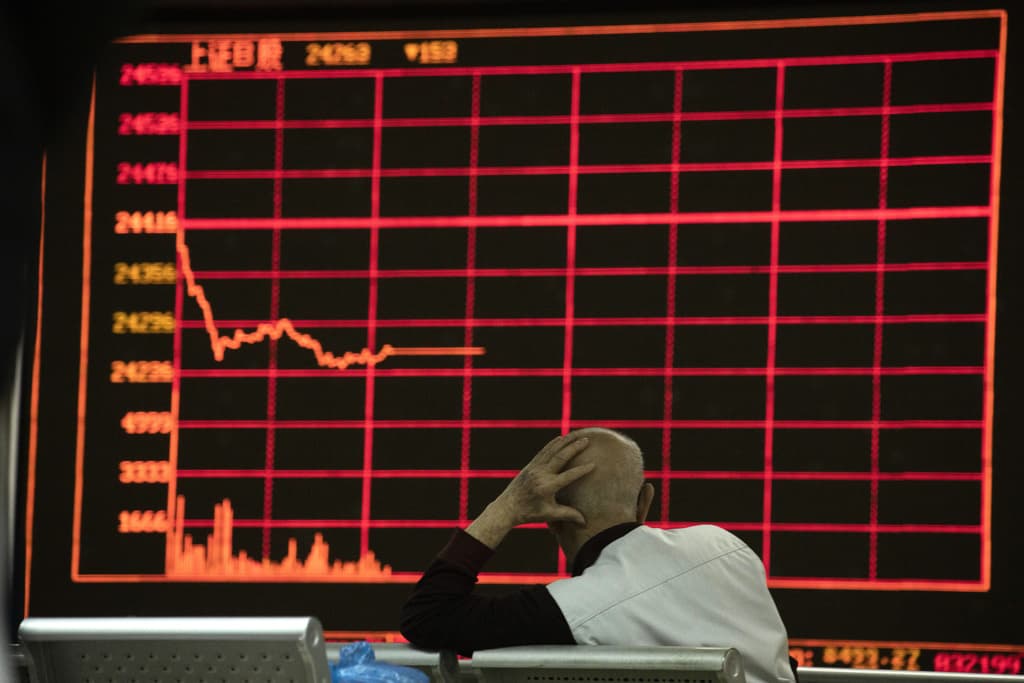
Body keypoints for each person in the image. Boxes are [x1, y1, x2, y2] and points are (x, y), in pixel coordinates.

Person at [400, 428, 797, 683]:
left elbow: (428, 615)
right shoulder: (727, 548)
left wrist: (505, 508)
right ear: (645, 502)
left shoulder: (571, 611)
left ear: (550, 520)